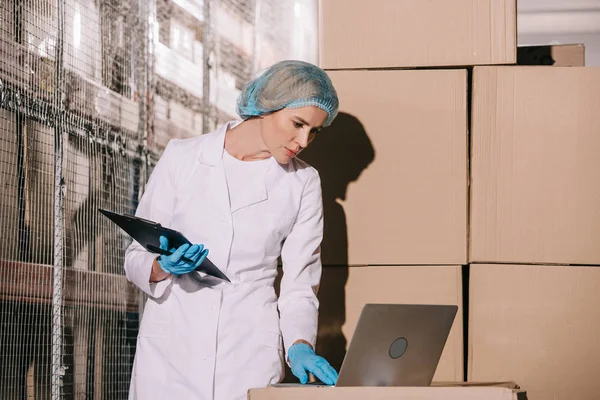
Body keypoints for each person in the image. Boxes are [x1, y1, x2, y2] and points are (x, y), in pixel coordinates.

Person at [124, 60, 340, 400]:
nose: (303, 140)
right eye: (297, 124)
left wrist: (299, 344)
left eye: (314, 131)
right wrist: (161, 267)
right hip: (171, 353)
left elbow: (300, 283)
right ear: (268, 106)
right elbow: (136, 254)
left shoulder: (303, 182)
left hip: (247, 353)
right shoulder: (183, 157)